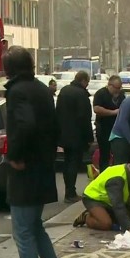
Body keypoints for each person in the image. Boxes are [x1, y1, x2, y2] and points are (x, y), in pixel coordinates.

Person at [0, 46, 68, 258]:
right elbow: (53, 127)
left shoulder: (17, 92)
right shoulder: (41, 89)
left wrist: (16, 156)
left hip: (25, 171)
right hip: (43, 168)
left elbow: (24, 125)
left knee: (23, 233)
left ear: (10, 68)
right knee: (36, 228)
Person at [75, 158, 130, 231]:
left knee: (127, 216)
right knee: (105, 224)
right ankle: (87, 217)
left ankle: (100, 213)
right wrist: (128, 228)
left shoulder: (127, 170)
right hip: (93, 198)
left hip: (106, 199)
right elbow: (118, 205)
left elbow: (129, 202)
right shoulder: (117, 180)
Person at [55, 71, 94, 203]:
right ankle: (70, 193)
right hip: (77, 135)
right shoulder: (81, 94)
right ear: (83, 81)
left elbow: (58, 112)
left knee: (67, 162)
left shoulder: (64, 91)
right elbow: (84, 118)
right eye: (87, 82)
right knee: (74, 163)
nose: (87, 85)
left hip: (64, 134)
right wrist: (89, 137)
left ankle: (69, 191)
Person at [93, 75, 125, 171]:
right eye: (116, 88)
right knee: (105, 154)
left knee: (117, 153)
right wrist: (113, 112)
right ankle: (103, 173)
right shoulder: (101, 94)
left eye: (120, 88)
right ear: (110, 85)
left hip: (117, 129)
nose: (118, 90)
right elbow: (97, 109)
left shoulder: (121, 95)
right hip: (103, 128)